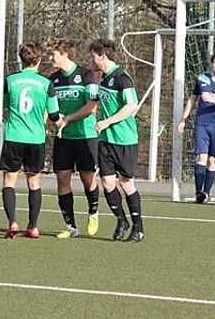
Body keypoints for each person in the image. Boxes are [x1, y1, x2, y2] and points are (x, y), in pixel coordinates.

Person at [0, 42, 61, 239]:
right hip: (35, 138)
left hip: (14, 136)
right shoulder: (46, 83)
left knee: (9, 180)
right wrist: (60, 121)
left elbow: (5, 104)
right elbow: (54, 114)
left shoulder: (10, 80)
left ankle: (12, 222)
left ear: (21, 59)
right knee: (34, 182)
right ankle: (33, 226)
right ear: (39, 59)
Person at [90, 38, 144, 243]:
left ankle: (138, 228)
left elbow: (131, 106)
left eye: (93, 56)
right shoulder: (104, 78)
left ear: (102, 56)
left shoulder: (122, 78)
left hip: (124, 140)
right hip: (106, 140)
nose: (92, 60)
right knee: (107, 183)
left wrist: (107, 122)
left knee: (126, 183)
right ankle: (122, 221)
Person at [47, 38, 100, 239]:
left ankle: (93, 211)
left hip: (86, 136)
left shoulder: (86, 75)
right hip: (64, 138)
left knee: (88, 179)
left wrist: (68, 118)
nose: (50, 58)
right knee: (62, 179)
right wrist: (49, 120)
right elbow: (48, 107)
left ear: (65, 54)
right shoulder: (52, 80)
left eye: (53, 54)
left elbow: (92, 106)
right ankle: (71, 227)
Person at [177, 53, 215, 203]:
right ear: (211, 64)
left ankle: (206, 193)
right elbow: (192, 99)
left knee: (212, 160)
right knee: (201, 156)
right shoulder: (201, 79)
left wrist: (212, 99)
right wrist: (183, 119)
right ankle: (198, 192)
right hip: (202, 123)